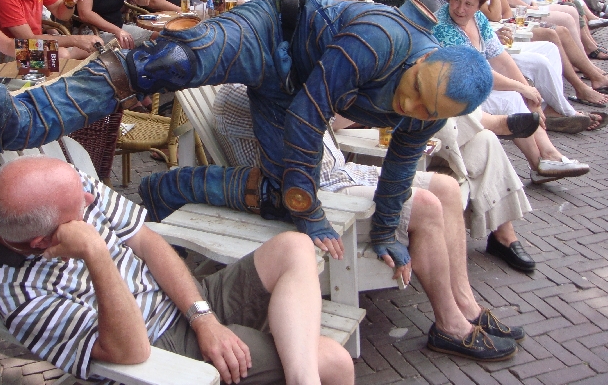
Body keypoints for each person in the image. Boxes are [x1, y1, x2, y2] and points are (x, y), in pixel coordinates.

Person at [0, 0, 493, 268]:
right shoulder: (384, 36)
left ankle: (167, 185)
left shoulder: (436, 106)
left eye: (429, 113)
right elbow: (311, 117)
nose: (413, 110)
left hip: (287, 92)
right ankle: (21, 119)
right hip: (273, 32)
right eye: (416, 91)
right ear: (423, 61)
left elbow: (400, 166)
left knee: (276, 195)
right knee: (165, 63)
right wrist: (310, 212)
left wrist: (385, 233)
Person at [212, 82, 522, 360]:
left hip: (344, 174)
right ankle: (450, 325)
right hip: (317, 200)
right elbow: (299, 166)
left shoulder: (289, 79)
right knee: (426, 205)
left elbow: (332, 114)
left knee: (447, 188)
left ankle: (466, 305)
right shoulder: (246, 92)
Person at [0, 155, 355, 384]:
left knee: (295, 245)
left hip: (187, 301)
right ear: (42, 241)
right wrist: (96, 254)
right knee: (334, 364)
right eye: (80, 208)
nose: (91, 198)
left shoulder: (70, 187)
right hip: (161, 349)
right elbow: (131, 352)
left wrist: (203, 319)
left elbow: (147, 242)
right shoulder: (23, 297)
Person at [433, 0, 590, 184]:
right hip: (452, 93)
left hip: (476, 86)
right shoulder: (442, 26)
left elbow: (502, 60)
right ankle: (543, 160)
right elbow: (476, 71)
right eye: (456, 1)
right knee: (512, 99)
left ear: (480, 5)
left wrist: (530, 95)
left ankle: (546, 159)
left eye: (469, 4)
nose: (460, 9)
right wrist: (521, 89)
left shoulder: (478, 19)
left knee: (520, 97)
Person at [472, 0, 608, 111]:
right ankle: (579, 89)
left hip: (506, 26)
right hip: (494, 35)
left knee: (562, 30)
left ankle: (592, 76)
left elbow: (505, 12)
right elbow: (495, 14)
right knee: (553, 33)